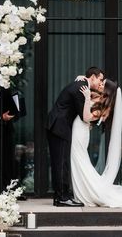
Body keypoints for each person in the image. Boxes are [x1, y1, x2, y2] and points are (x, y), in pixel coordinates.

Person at [70, 79, 122, 208]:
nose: (100, 84)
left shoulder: (102, 107)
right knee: (78, 161)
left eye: (102, 84)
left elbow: (87, 117)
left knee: (79, 160)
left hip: (80, 133)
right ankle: (81, 192)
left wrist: (87, 98)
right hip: (78, 130)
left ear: (107, 90)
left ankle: (87, 193)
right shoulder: (98, 98)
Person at [45, 66, 104, 207]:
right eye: (100, 79)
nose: (100, 82)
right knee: (61, 163)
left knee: (61, 162)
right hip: (59, 127)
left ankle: (61, 195)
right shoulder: (82, 88)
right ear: (93, 77)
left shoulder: (81, 84)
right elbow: (84, 117)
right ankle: (62, 198)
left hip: (58, 126)